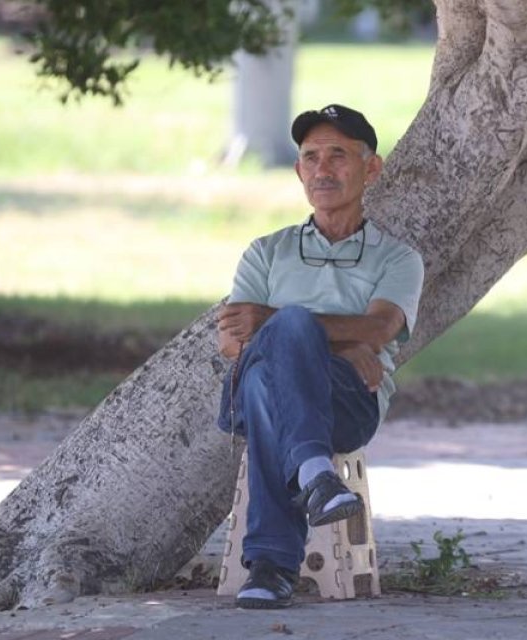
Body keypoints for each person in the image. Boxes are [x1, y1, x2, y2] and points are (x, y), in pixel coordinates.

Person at [215, 104, 424, 609]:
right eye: (310, 157)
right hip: (263, 395)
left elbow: (379, 329)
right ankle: (315, 476)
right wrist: (343, 342)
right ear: (298, 171)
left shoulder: (397, 258)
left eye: (338, 155)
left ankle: (271, 566)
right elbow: (231, 342)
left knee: (272, 371)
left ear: (371, 168)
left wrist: (294, 326)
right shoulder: (267, 251)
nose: (322, 169)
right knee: (276, 351)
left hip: (349, 403)